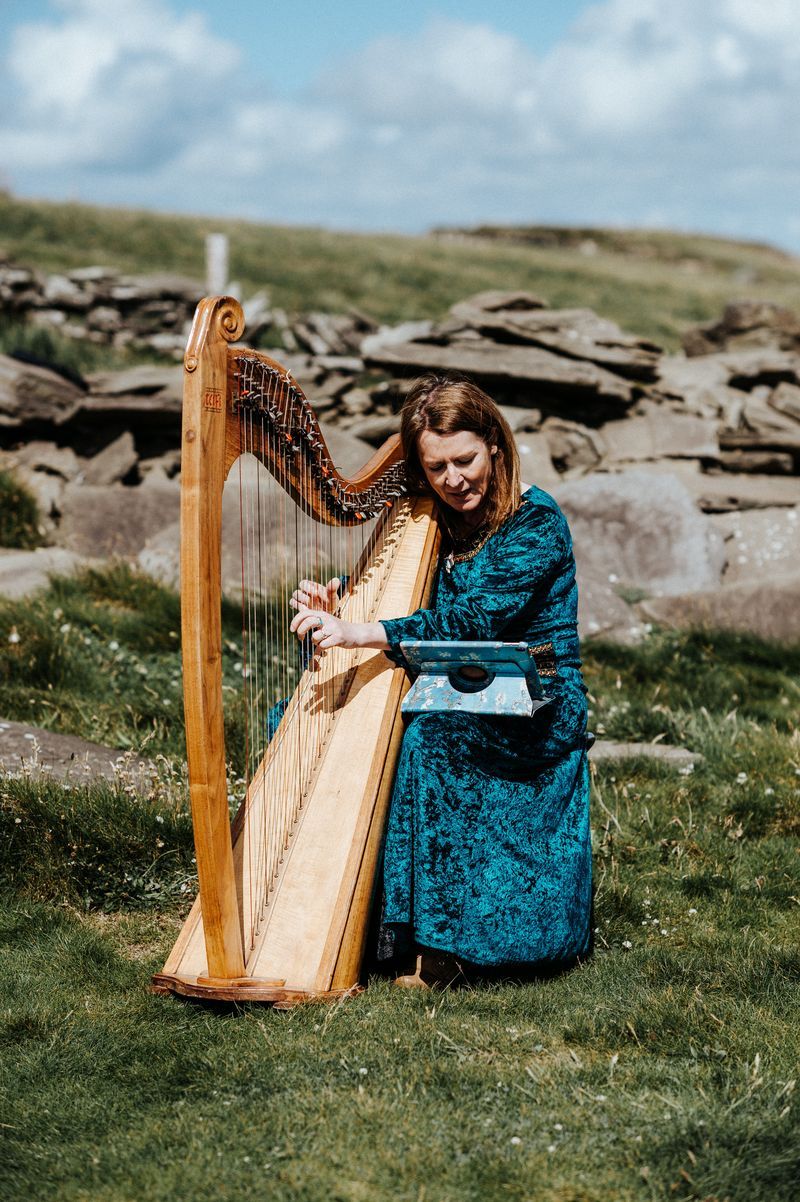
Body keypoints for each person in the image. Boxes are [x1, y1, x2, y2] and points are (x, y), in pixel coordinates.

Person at [289, 373, 592, 988]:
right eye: (436, 468)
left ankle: (443, 948)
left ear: (495, 448)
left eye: (466, 460)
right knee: (297, 721)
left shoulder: (536, 523)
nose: (454, 480)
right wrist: (339, 605)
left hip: (535, 693)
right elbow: (414, 605)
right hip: (450, 680)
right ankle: (360, 928)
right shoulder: (429, 522)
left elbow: (472, 619)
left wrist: (362, 632)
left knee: (433, 735)